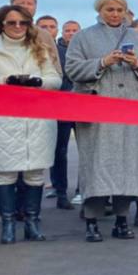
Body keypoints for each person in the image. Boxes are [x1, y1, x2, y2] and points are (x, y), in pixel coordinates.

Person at [64, 0, 138, 242]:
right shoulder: (84, 37)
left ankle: (122, 219)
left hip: (132, 109)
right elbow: (71, 68)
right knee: (96, 166)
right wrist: (102, 62)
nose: (115, 14)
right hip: (97, 111)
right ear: (99, 11)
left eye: (119, 10)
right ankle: (92, 220)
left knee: (129, 166)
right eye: (110, 10)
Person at [0, 4, 63, 244]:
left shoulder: (39, 48)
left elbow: (55, 80)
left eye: (23, 22)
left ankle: (32, 222)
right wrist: (6, 81)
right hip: (1, 120)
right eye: (12, 22)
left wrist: (38, 81)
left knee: (35, 172)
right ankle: (8, 224)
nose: (18, 27)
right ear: (2, 24)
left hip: (36, 118)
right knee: (5, 174)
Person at [51, 19, 81, 209]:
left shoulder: (84, 49)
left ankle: (82, 189)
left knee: (85, 150)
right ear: (62, 32)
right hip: (61, 106)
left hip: (82, 106)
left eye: (75, 30)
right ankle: (60, 191)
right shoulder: (55, 50)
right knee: (59, 151)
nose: (71, 33)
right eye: (68, 30)